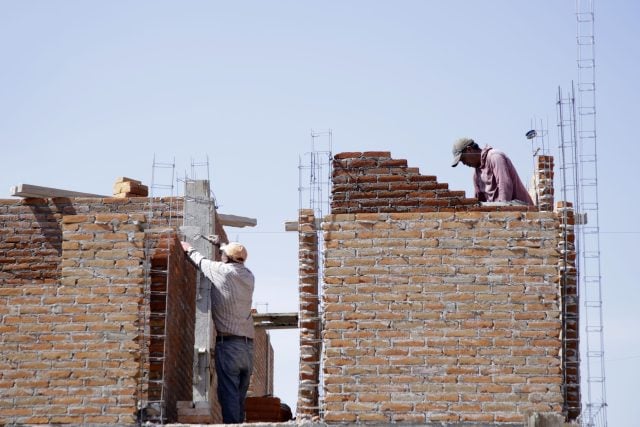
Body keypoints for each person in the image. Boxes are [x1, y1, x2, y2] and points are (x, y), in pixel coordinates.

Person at [181, 239, 255, 424]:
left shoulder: (222, 271)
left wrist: (187, 248)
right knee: (238, 397)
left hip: (229, 346)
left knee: (228, 394)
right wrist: (221, 244)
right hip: (248, 349)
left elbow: (199, 260)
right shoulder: (249, 276)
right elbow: (231, 255)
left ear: (227, 258)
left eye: (223, 254)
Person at [451, 137, 534, 205]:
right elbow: (479, 201)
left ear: (469, 150)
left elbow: (504, 185)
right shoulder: (476, 175)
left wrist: (500, 213)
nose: (464, 163)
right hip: (501, 214)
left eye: (463, 159)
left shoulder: (495, 157)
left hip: (521, 211)